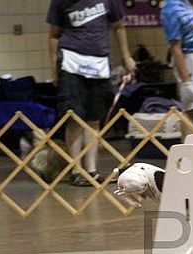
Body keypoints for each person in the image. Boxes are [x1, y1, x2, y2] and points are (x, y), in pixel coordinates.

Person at [47, 0, 136, 186]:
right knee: (74, 118)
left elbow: (119, 26)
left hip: (99, 63)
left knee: (94, 118)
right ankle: (75, 170)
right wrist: (53, 68)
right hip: (71, 62)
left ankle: (91, 170)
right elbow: (53, 35)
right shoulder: (59, 2)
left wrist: (126, 56)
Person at [161, 0, 193, 142]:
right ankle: (188, 154)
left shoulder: (186, 4)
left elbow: (191, 28)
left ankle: (191, 152)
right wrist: (186, 79)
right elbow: (175, 46)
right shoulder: (171, 9)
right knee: (190, 107)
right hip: (189, 59)